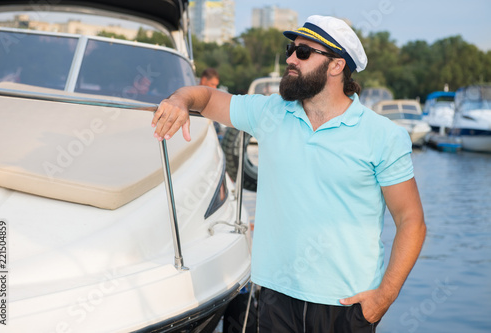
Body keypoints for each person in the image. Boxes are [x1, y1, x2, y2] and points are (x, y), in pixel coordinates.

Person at [152, 15, 426, 333]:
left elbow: (411, 221)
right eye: (291, 49)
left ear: (337, 66)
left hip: (346, 305)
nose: (291, 59)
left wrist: (384, 297)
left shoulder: (383, 135)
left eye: (304, 53)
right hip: (274, 298)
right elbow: (209, 98)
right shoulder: (270, 113)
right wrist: (179, 100)